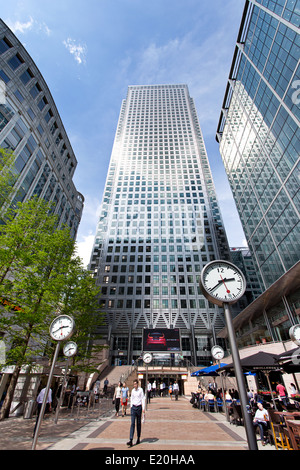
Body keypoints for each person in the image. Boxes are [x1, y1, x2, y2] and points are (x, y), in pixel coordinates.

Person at [127, 379, 145, 447]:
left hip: (139, 407)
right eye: (134, 384)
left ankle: (138, 438)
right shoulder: (133, 391)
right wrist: (131, 406)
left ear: (138, 384)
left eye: (136, 384)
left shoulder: (141, 390)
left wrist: (143, 408)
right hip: (133, 408)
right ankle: (131, 439)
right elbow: (131, 399)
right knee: (132, 423)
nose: (135, 385)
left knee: (138, 423)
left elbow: (143, 398)